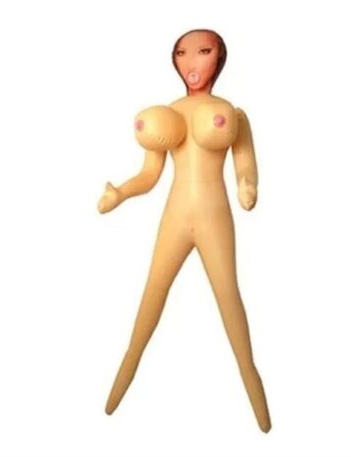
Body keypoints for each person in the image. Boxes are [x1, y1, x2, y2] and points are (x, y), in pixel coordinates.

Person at [97, 28, 272, 433]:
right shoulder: (169, 112)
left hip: (215, 218)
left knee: (229, 299)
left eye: (203, 51)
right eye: (182, 53)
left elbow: (245, 167)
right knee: (151, 294)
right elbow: (149, 175)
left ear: (219, 58)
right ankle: (120, 382)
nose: (191, 61)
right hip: (175, 216)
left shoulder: (234, 114)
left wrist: (248, 187)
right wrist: (120, 193)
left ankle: (256, 393)